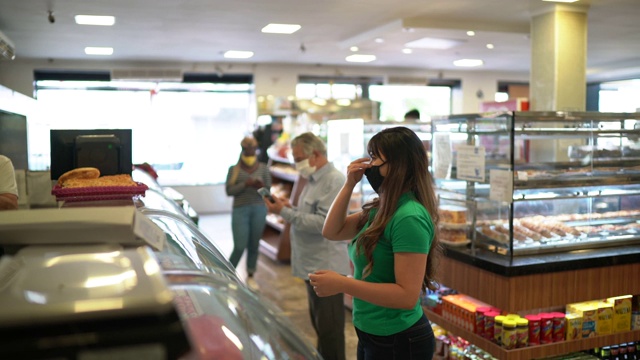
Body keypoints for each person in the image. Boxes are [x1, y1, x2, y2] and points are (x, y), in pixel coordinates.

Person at [309, 126, 441, 360]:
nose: (369, 166)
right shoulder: (381, 208)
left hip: (399, 338)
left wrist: (343, 284)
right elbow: (332, 230)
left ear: (398, 165)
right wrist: (349, 183)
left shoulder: (408, 216)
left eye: (375, 158)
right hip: (372, 331)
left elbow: (406, 295)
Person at [262, 132, 349, 360]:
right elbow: (310, 213)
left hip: (326, 265)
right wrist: (289, 207)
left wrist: (284, 212)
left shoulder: (334, 180)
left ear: (316, 155)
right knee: (321, 327)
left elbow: (323, 224)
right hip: (311, 263)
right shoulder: (312, 180)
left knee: (330, 332)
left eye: (299, 158)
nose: (296, 163)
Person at [225, 136, 271, 280]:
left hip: (258, 209)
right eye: (247, 149)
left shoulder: (263, 168)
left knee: (254, 244)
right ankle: (227, 274)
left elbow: (268, 193)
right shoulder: (234, 170)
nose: (250, 152)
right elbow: (229, 191)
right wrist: (245, 184)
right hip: (240, 209)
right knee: (239, 245)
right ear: (242, 150)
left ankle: (250, 274)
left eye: (253, 149)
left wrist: (260, 187)